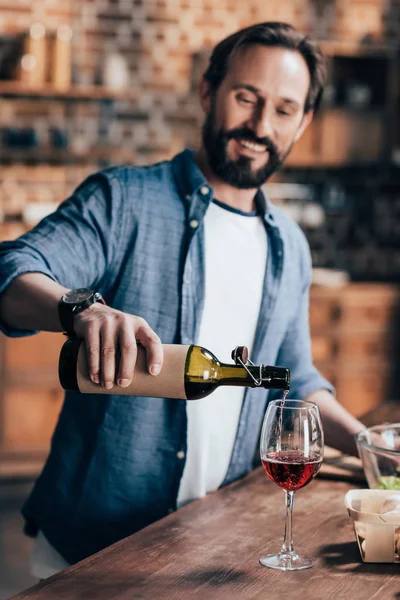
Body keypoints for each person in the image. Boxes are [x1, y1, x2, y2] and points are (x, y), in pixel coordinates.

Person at [0, 22, 365, 578]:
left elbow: (295, 380)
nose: (260, 126)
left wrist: (369, 447)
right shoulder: (123, 199)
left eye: (284, 109)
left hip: (211, 548)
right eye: (247, 97)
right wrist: (82, 309)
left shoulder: (288, 246)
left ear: (304, 122)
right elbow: (12, 270)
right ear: (207, 92)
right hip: (91, 555)